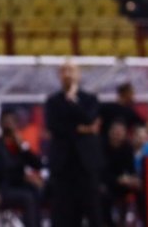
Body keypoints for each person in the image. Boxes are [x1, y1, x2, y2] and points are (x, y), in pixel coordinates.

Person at [45, 60, 104, 227]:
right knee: (63, 214)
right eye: (64, 70)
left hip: (86, 165)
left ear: (78, 74)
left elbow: (89, 118)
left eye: (71, 70)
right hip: (62, 166)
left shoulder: (89, 99)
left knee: (93, 211)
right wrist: (82, 129)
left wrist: (72, 101)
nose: (67, 74)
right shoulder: (53, 101)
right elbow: (55, 127)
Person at [102, 120, 142, 225]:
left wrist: (133, 179)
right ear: (110, 132)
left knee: (140, 189)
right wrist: (117, 180)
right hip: (106, 183)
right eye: (115, 132)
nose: (118, 135)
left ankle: (142, 220)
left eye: (121, 132)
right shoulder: (102, 147)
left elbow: (131, 169)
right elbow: (101, 172)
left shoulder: (127, 148)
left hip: (123, 182)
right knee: (103, 194)